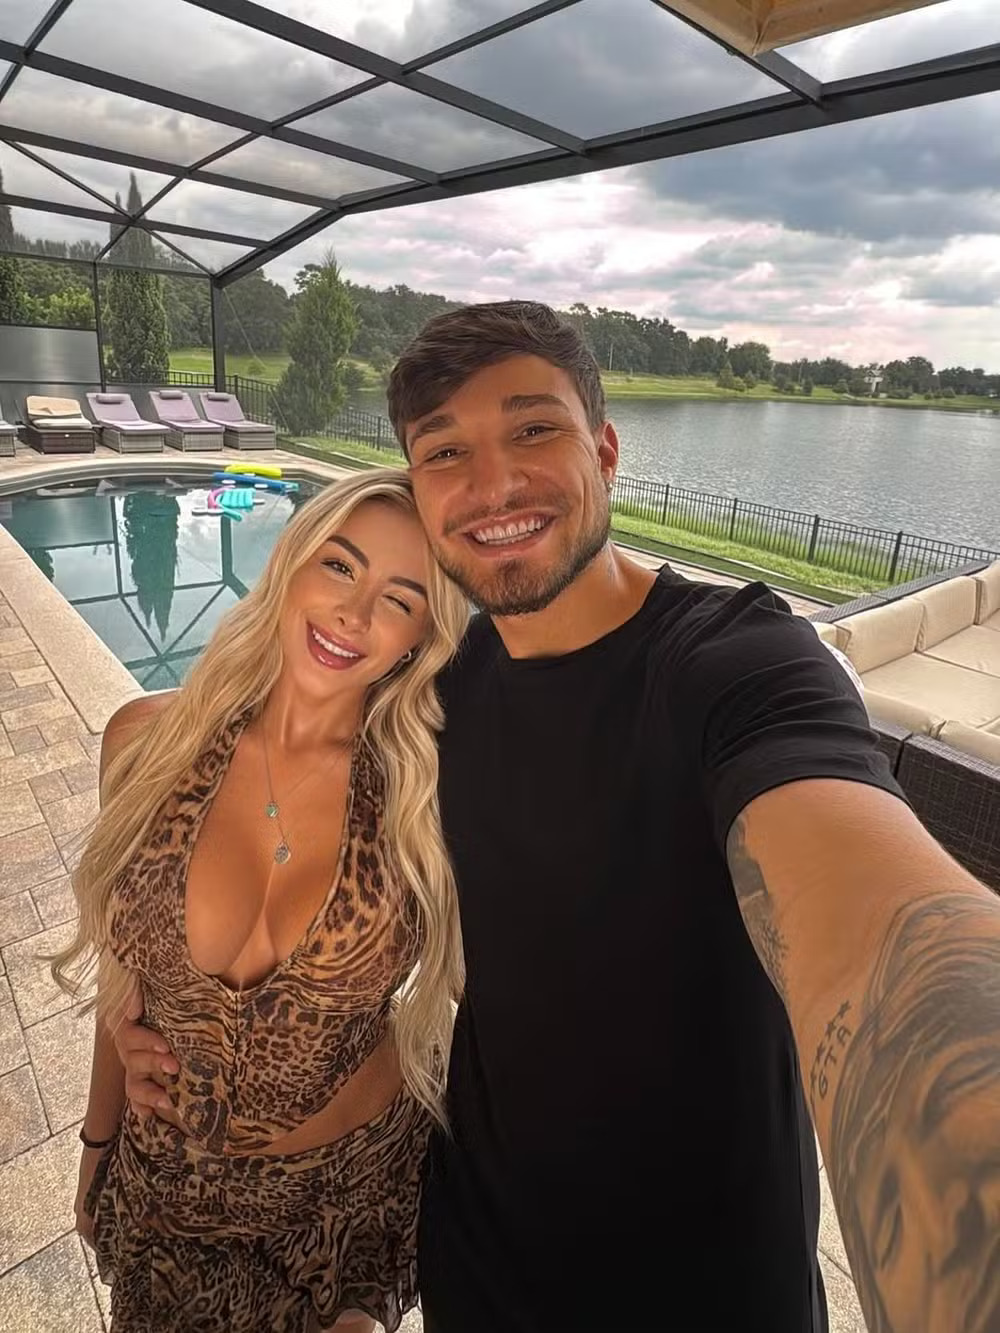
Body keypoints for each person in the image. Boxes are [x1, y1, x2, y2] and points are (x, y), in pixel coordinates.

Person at [117, 302, 1000, 1333]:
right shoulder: (431, 698)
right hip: (477, 1264)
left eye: (532, 428)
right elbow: (257, 766)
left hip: (707, 1294)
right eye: (445, 450)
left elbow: (886, 941)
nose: (492, 483)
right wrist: (165, 1023)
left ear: (606, 450)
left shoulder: (737, 666)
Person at [54, 469, 469, 1333]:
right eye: (341, 566)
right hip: (171, 1195)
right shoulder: (145, 743)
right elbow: (124, 984)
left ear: (420, 639)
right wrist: (97, 1142)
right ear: (289, 562)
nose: (354, 614)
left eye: (399, 601)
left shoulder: (424, 801)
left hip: (348, 1200)